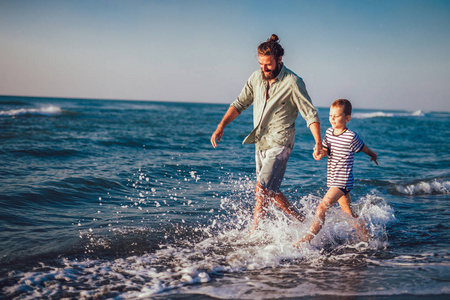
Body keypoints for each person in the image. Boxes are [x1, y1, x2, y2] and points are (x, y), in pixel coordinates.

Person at [210, 34, 323, 234]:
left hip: (281, 142)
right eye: (261, 64)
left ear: (279, 60)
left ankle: (254, 234)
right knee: (268, 191)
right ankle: (302, 221)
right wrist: (221, 125)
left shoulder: (293, 82)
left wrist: (318, 143)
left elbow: (310, 113)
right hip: (260, 142)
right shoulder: (256, 78)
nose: (264, 68)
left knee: (261, 189)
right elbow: (239, 104)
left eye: (268, 64)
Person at [294, 99, 378, 247]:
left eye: (337, 116)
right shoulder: (328, 132)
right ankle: (368, 240)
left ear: (347, 118)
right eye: (331, 115)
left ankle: (306, 240)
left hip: (343, 181)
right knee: (348, 213)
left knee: (321, 208)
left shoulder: (351, 136)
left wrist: (373, 154)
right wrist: (320, 153)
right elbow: (327, 150)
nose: (332, 118)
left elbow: (363, 148)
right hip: (333, 179)